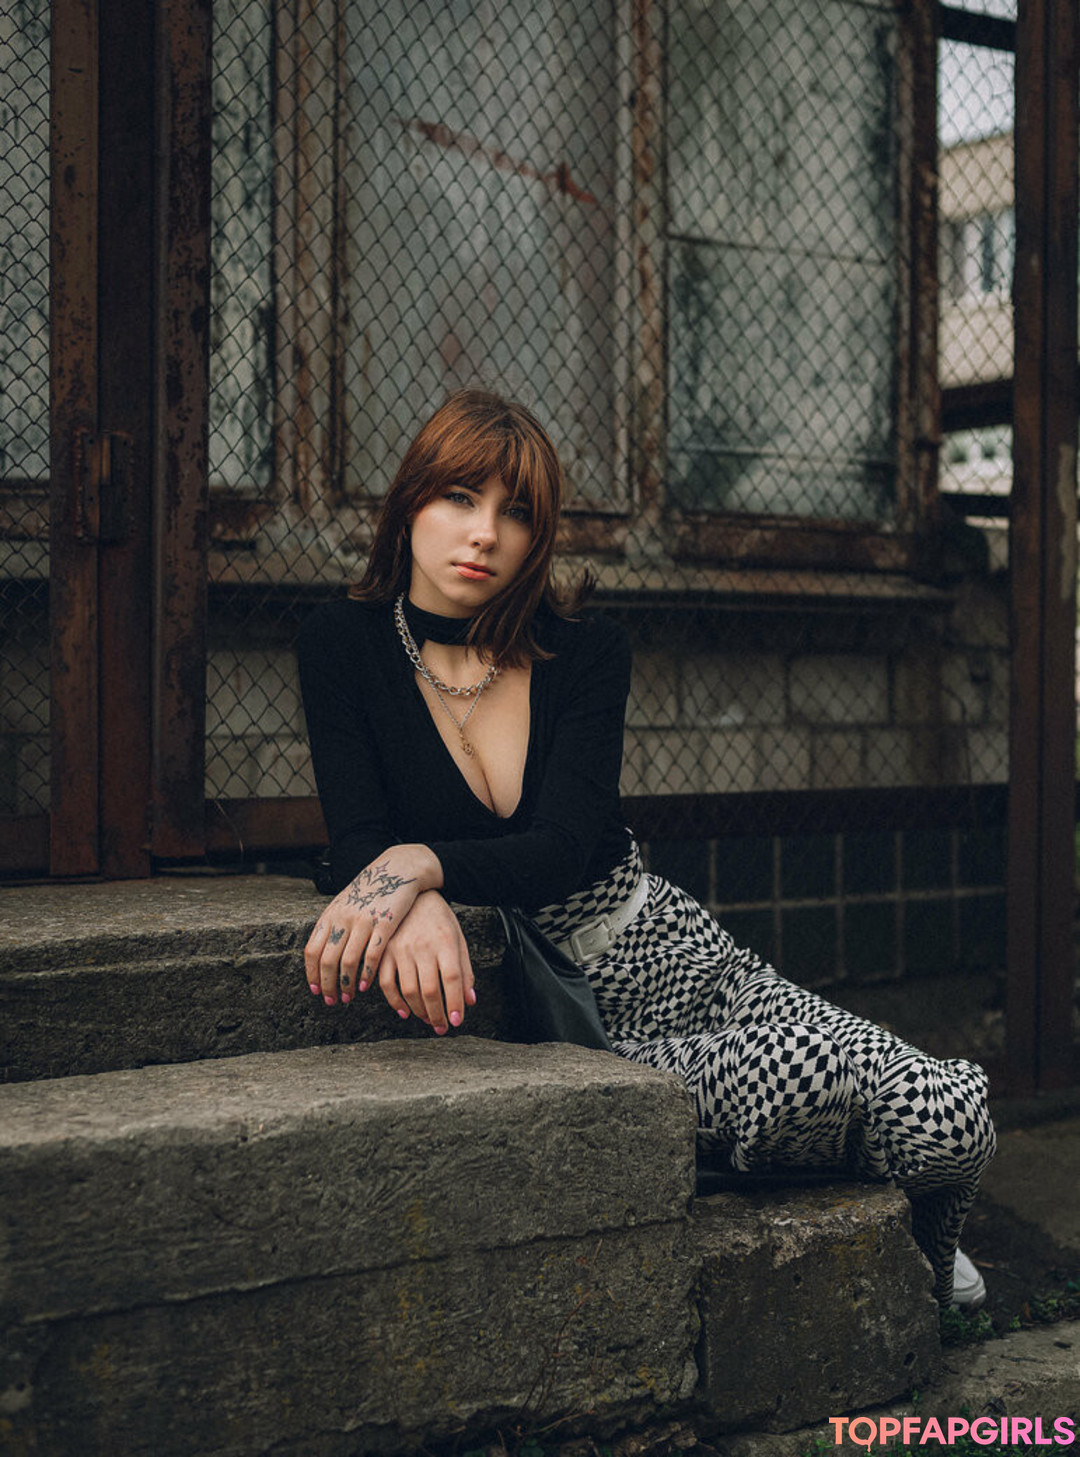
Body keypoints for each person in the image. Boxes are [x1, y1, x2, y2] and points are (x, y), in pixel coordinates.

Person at [298, 389, 995, 1310]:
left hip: (667, 949)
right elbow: (360, 837)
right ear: (410, 500)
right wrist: (408, 886)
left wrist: (420, 866)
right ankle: (849, 1170)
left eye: (516, 512)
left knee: (953, 1114)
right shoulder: (342, 643)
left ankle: (927, 1250)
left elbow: (558, 848)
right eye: (460, 497)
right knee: (817, 1072)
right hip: (569, 1019)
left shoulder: (583, 650)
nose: (485, 533)